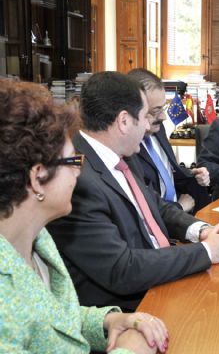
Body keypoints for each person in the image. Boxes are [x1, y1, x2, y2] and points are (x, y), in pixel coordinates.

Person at [47, 72, 219, 311]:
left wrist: (201, 231)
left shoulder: (122, 155)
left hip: (160, 277)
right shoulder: (78, 180)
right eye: (143, 117)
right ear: (124, 121)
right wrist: (207, 250)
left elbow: (153, 204)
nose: (149, 126)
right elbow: (122, 270)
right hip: (132, 308)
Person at [0, 79, 168, 353]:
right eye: (72, 161)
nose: (79, 172)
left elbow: (51, 319)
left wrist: (108, 320)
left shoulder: (38, 240)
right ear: (38, 177)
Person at [127, 68, 211, 213]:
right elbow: (141, 206)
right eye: (155, 111)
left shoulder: (158, 130)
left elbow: (167, 173)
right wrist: (179, 207)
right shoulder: (126, 149)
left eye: (163, 107)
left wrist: (194, 174)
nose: (163, 117)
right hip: (164, 220)